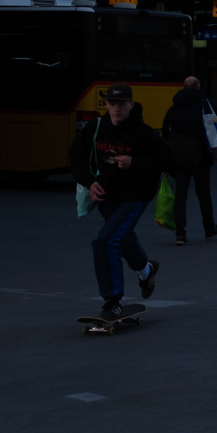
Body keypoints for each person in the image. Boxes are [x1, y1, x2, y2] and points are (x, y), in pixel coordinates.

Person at [70, 84, 172, 322]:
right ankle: (146, 270)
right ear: (106, 104)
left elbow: (169, 159)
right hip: (107, 196)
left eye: (122, 104)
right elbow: (76, 158)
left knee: (105, 240)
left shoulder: (144, 133)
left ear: (131, 105)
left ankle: (112, 302)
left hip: (135, 196)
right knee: (121, 236)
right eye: (112, 103)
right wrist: (89, 182)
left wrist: (134, 162)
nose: (116, 109)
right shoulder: (95, 128)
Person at [162, 75, 217, 246]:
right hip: (201, 156)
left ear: (183, 87)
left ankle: (180, 234)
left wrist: (165, 161)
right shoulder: (205, 104)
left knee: (180, 195)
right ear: (198, 87)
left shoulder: (173, 108)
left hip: (179, 158)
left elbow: (165, 134)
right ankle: (209, 229)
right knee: (203, 193)